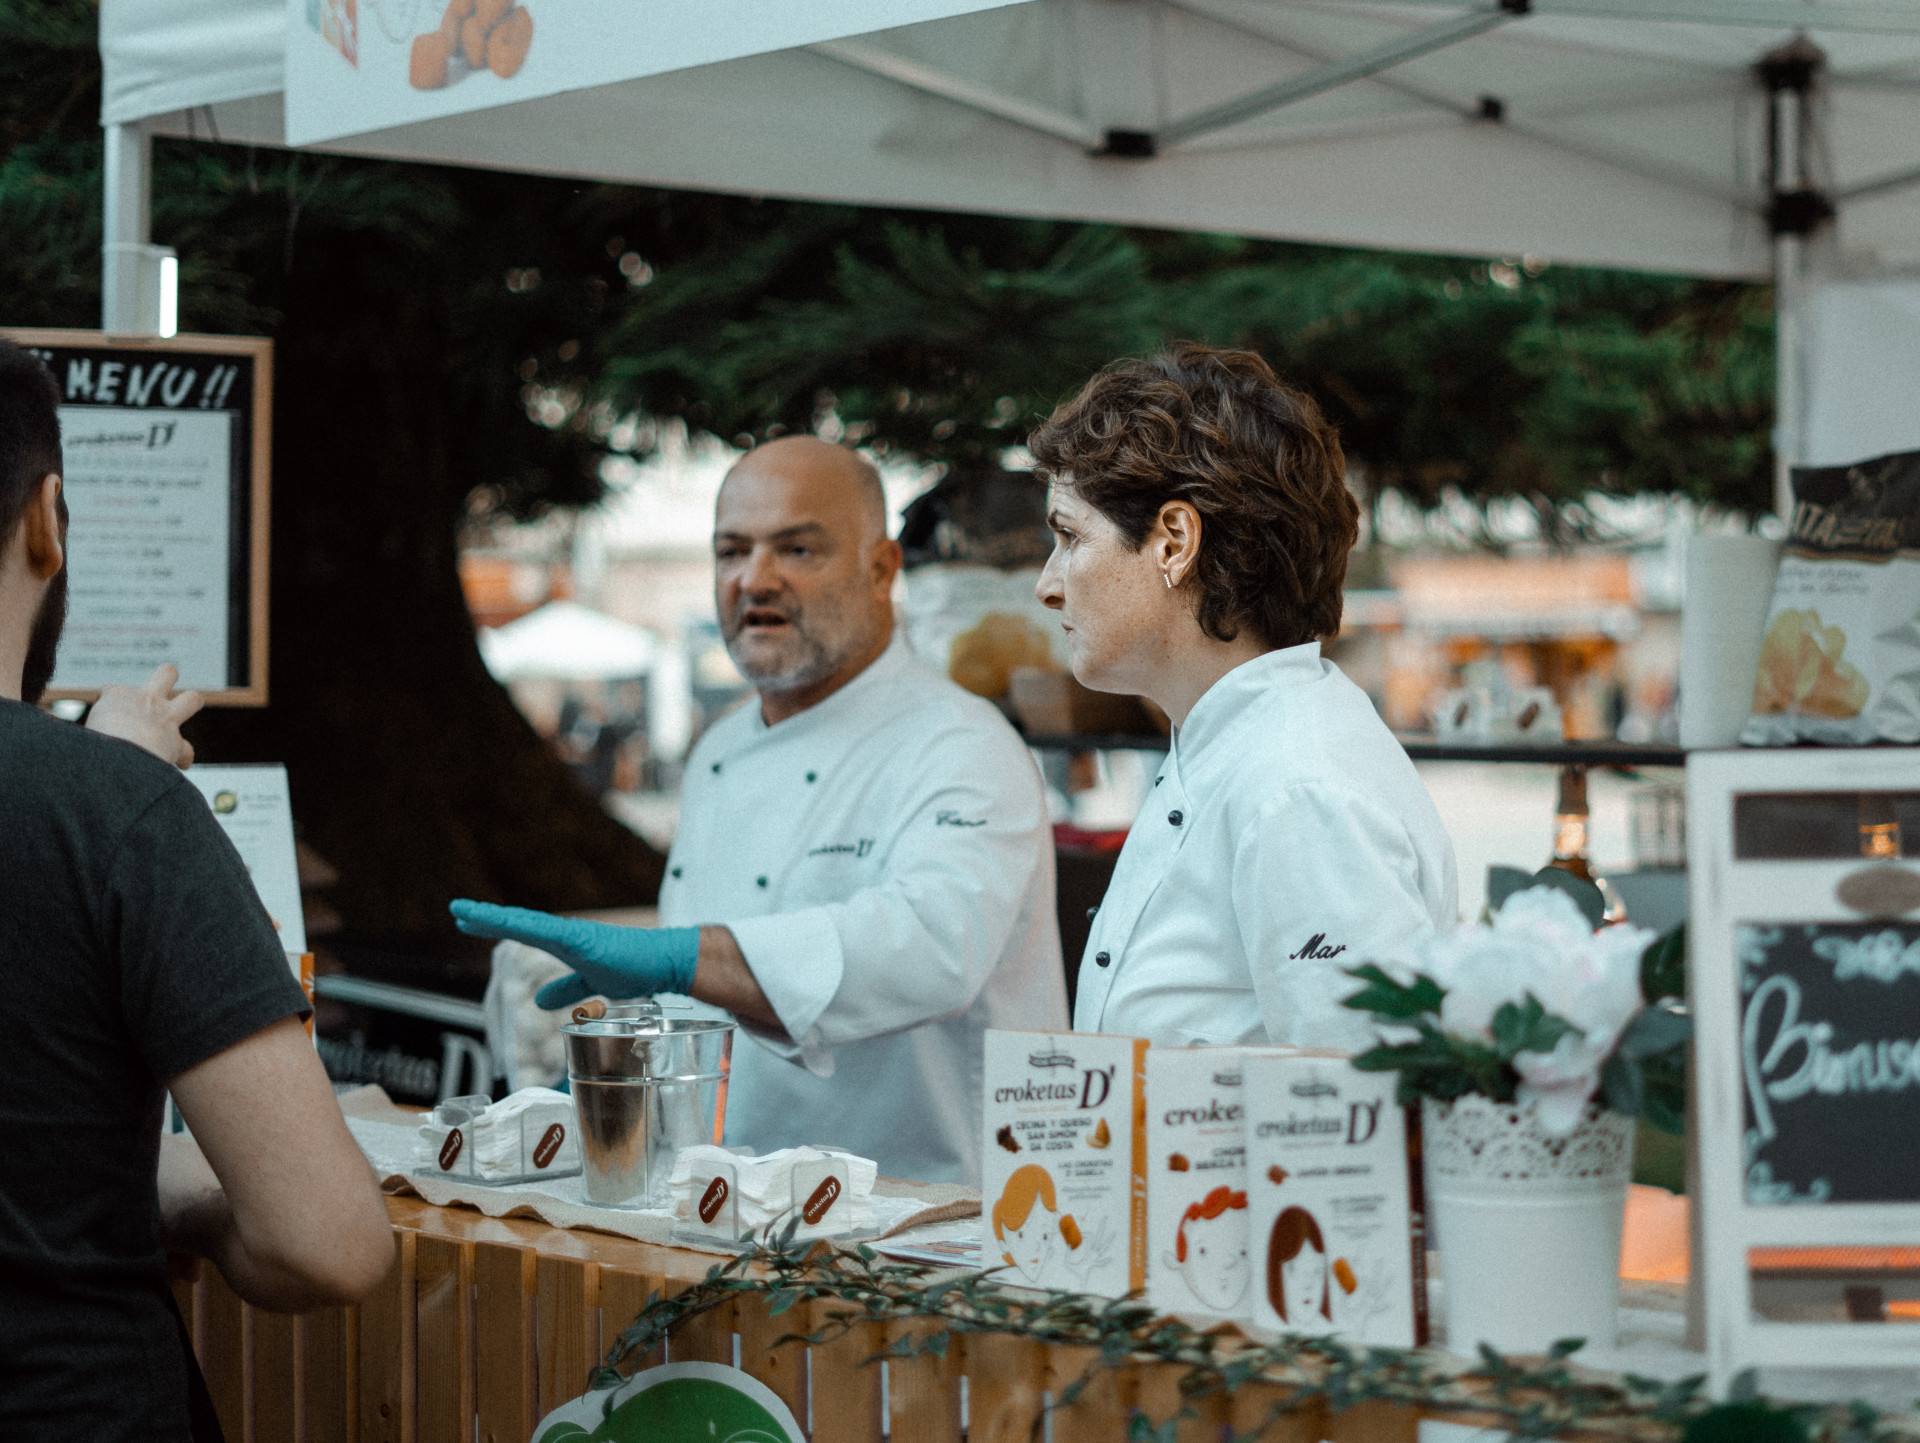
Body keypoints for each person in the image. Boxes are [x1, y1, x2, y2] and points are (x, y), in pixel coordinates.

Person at [453, 436, 1066, 1183]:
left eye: (798, 549)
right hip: (729, 1210)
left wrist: (682, 957)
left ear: (882, 569)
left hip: (918, 1222)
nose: (755, 578)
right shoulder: (719, 753)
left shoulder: (963, 743)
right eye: (731, 551)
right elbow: (708, 1018)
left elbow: (935, 947)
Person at [0, 340, 393, 1443]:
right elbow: (326, 1239)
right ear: (48, 519)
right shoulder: (116, 816)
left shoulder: (96, 799)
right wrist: (201, 1210)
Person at [1030, 343, 1457, 1049]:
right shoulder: (1247, 744)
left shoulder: (1297, 786)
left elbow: (1356, 1110)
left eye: (1070, 536)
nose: (1048, 585)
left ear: (1174, 541)